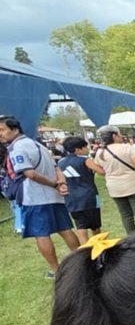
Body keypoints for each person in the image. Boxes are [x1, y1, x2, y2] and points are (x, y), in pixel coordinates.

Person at [0, 116, 80, 276]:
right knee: (65, 229)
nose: (0, 134)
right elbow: (56, 168)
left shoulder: (16, 149)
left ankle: (55, 270)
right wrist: (60, 184)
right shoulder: (38, 145)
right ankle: (81, 262)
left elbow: (30, 173)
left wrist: (55, 184)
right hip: (54, 197)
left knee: (41, 234)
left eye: (2, 130)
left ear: (14, 130)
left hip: (34, 198)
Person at [94, 125, 135, 234]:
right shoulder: (127, 148)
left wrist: (111, 174)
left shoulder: (100, 153)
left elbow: (100, 171)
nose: (121, 136)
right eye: (119, 134)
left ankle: (131, 238)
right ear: (114, 135)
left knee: (125, 214)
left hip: (114, 188)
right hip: (133, 184)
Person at [58, 136, 105, 242]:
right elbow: (102, 172)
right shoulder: (85, 160)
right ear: (77, 149)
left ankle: (85, 252)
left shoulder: (61, 162)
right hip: (90, 196)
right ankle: (98, 249)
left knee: (81, 227)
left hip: (71, 197)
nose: (87, 149)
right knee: (95, 226)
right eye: (85, 147)